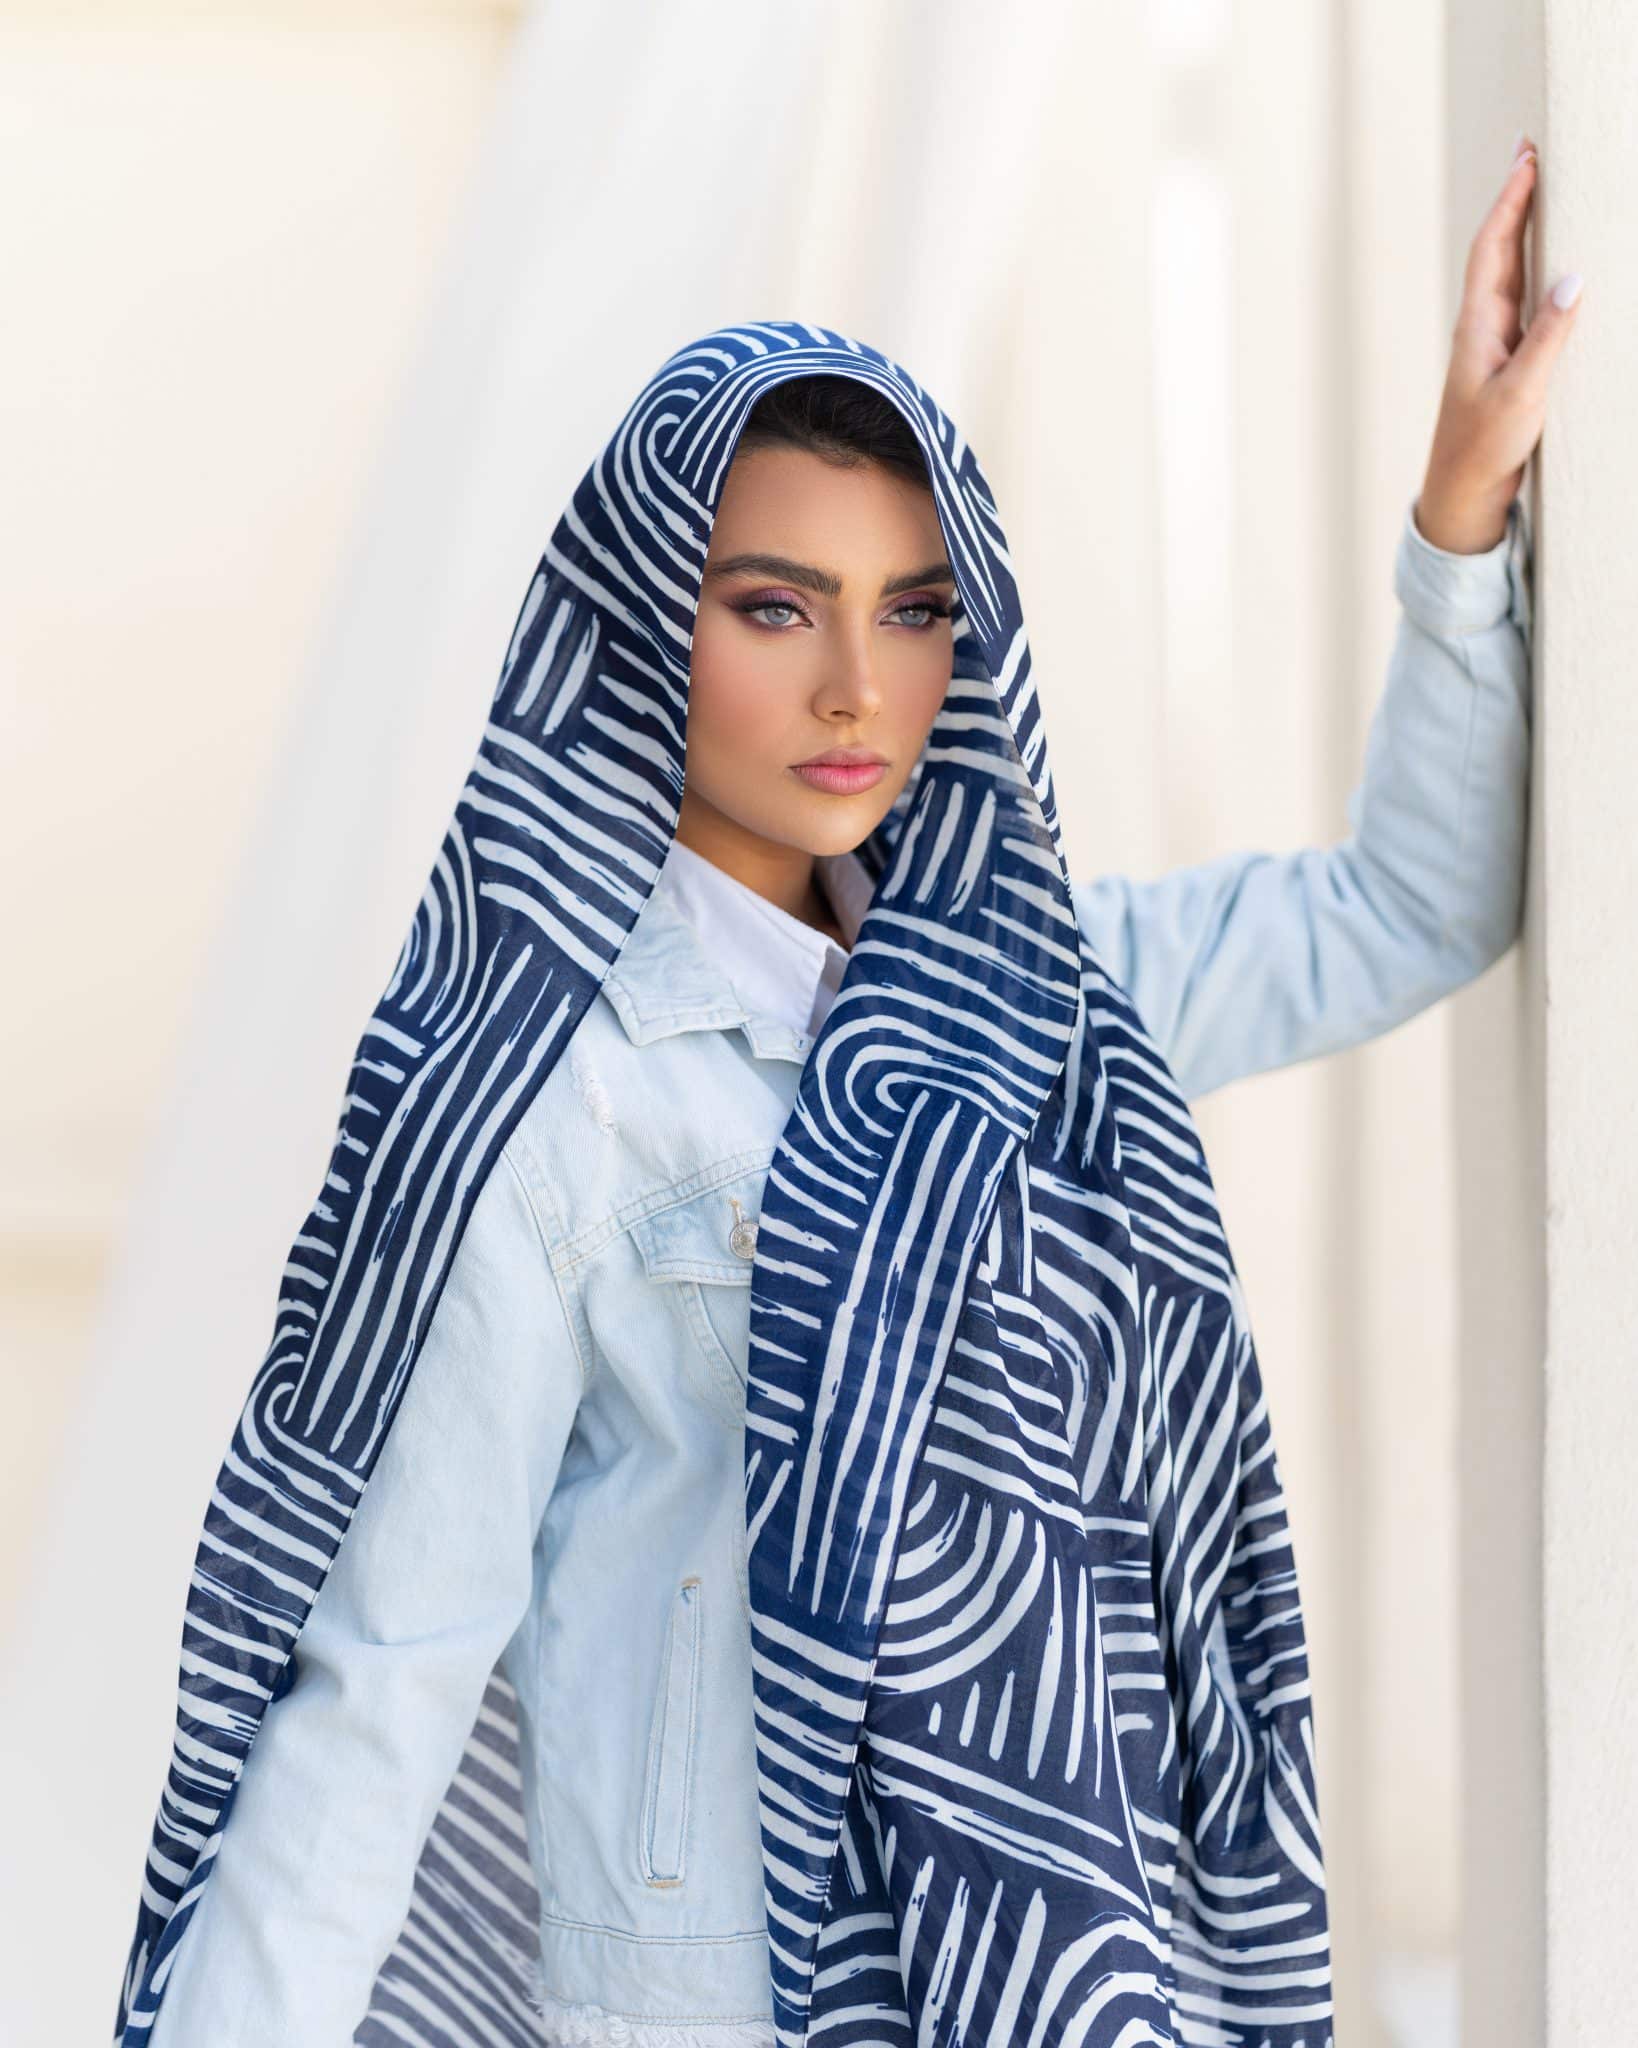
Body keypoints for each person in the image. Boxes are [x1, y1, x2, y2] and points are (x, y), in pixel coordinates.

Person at [121, 141, 1577, 2048]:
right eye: (773, 606)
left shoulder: (1042, 999)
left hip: (1055, 1979)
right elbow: (384, 1683)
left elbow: (1405, 909)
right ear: (645, 621)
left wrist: (1458, 523)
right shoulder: (557, 1105)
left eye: (910, 610)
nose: (852, 689)